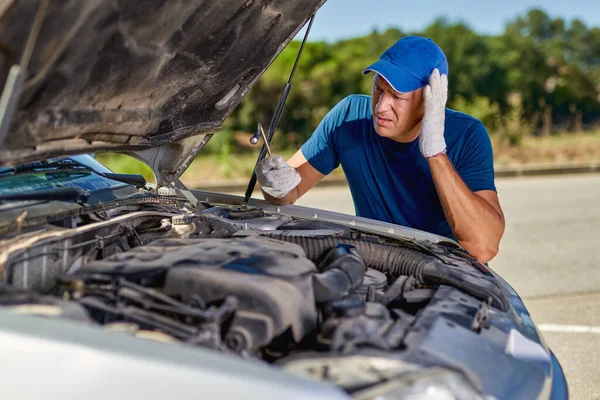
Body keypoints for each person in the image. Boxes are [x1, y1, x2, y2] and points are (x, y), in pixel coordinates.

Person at [255, 36, 505, 264]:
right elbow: (289, 193)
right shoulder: (348, 117)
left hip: (441, 269)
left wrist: (435, 152)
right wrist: (275, 184)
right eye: (378, 89)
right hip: (373, 261)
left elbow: (483, 247)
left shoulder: (467, 134)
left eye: (397, 96)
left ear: (431, 99)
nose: (381, 106)